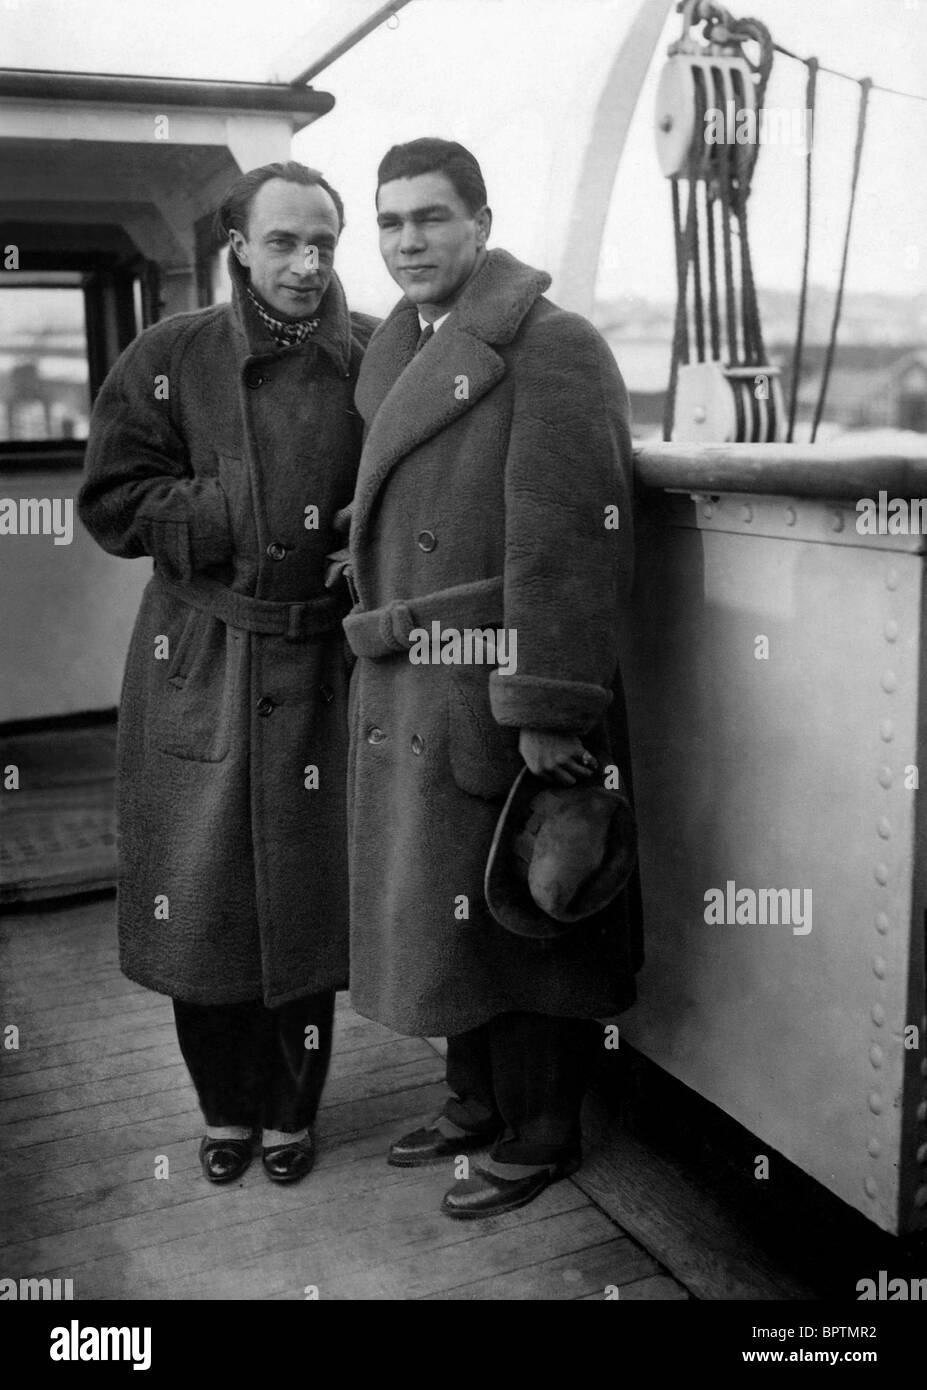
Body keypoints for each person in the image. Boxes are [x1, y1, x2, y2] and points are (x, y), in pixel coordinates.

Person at [344, 138, 641, 1219]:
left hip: (499, 688)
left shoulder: (552, 346)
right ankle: (472, 1104)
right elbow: (420, 492)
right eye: (390, 222)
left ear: (482, 222)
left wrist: (547, 705)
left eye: (431, 217)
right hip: (418, 679)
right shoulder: (405, 348)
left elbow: (569, 543)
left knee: (523, 917)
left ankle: (543, 1131)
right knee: (446, 911)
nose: (408, 241)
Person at [79, 161, 377, 1186]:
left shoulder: (378, 354)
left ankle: (292, 1113)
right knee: (199, 900)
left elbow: (418, 491)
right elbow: (112, 501)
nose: (307, 264)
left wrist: (370, 541)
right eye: (284, 241)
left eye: (323, 243)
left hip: (324, 662)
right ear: (239, 247)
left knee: (304, 901)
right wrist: (227, 512)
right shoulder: (170, 355)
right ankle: (224, 1109)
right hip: (199, 659)